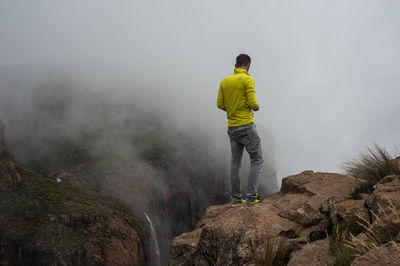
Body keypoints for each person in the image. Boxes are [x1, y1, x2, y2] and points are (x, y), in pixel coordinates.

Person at [217, 54, 264, 204]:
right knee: (257, 160)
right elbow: (252, 102)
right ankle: (251, 197)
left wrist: (232, 109)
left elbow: (220, 104)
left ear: (236, 64)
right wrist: (256, 107)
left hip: (232, 128)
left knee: (235, 163)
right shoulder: (247, 79)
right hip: (246, 126)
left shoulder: (225, 81)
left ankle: (236, 199)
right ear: (248, 65)